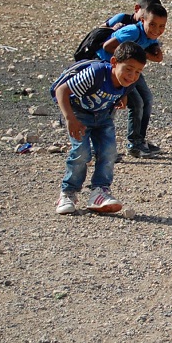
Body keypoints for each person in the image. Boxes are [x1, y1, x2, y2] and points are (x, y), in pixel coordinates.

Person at [53, 42, 147, 215]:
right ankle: (68, 193)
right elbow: (61, 91)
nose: (132, 75)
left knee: (109, 152)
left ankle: (100, 192)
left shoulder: (130, 82)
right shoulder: (95, 74)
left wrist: (123, 98)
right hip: (79, 115)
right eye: (128, 69)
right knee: (81, 153)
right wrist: (70, 119)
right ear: (113, 62)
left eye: (138, 72)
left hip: (103, 116)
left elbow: (123, 89)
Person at [97, 3, 167, 158]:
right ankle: (127, 145)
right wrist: (135, 54)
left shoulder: (150, 37)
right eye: (153, 25)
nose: (157, 30)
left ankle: (139, 141)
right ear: (142, 20)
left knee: (147, 99)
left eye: (161, 26)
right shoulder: (133, 32)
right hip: (113, 70)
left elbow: (155, 55)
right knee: (134, 103)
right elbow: (107, 46)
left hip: (131, 70)